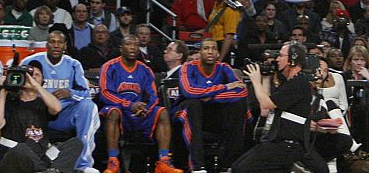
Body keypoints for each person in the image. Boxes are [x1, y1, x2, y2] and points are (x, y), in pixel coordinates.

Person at [99, 35, 183, 173]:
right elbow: (106, 93)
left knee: (162, 111)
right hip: (119, 111)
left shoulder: (145, 70)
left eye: (136, 45)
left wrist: (146, 108)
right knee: (113, 111)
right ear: (121, 48)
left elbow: (153, 96)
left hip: (139, 113)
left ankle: (163, 162)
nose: (132, 47)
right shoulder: (109, 67)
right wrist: (129, 105)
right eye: (128, 44)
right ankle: (113, 162)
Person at [232, 42, 318, 173]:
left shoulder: (299, 83)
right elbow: (265, 109)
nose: (277, 59)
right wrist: (266, 79)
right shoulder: (288, 83)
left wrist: (255, 80)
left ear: (292, 60)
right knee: (237, 167)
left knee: (243, 169)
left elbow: (267, 103)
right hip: (275, 142)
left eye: (281, 56)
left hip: (287, 145)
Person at [23, 31, 99, 173]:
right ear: (47, 44)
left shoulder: (73, 64)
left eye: (60, 42)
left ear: (65, 46)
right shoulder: (30, 61)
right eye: (52, 42)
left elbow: (86, 93)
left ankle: (82, 165)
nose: (56, 45)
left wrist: (70, 93)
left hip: (62, 116)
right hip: (35, 113)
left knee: (89, 107)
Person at [0, 60, 83, 173]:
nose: (32, 77)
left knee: (76, 143)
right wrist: (4, 90)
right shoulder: (9, 101)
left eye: (36, 75)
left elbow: (56, 108)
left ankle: (49, 170)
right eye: (28, 75)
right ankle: (47, 171)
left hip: (40, 158)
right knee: (21, 148)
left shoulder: (44, 102)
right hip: (13, 159)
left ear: (43, 81)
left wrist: (35, 86)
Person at [175, 37, 248, 173]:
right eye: (206, 48)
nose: (210, 52)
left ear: (218, 54)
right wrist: (224, 87)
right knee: (194, 103)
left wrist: (209, 97)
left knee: (239, 104)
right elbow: (188, 91)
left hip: (214, 115)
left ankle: (229, 164)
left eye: (213, 49)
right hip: (189, 113)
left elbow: (241, 91)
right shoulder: (188, 67)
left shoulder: (224, 68)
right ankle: (198, 167)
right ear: (200, 53)